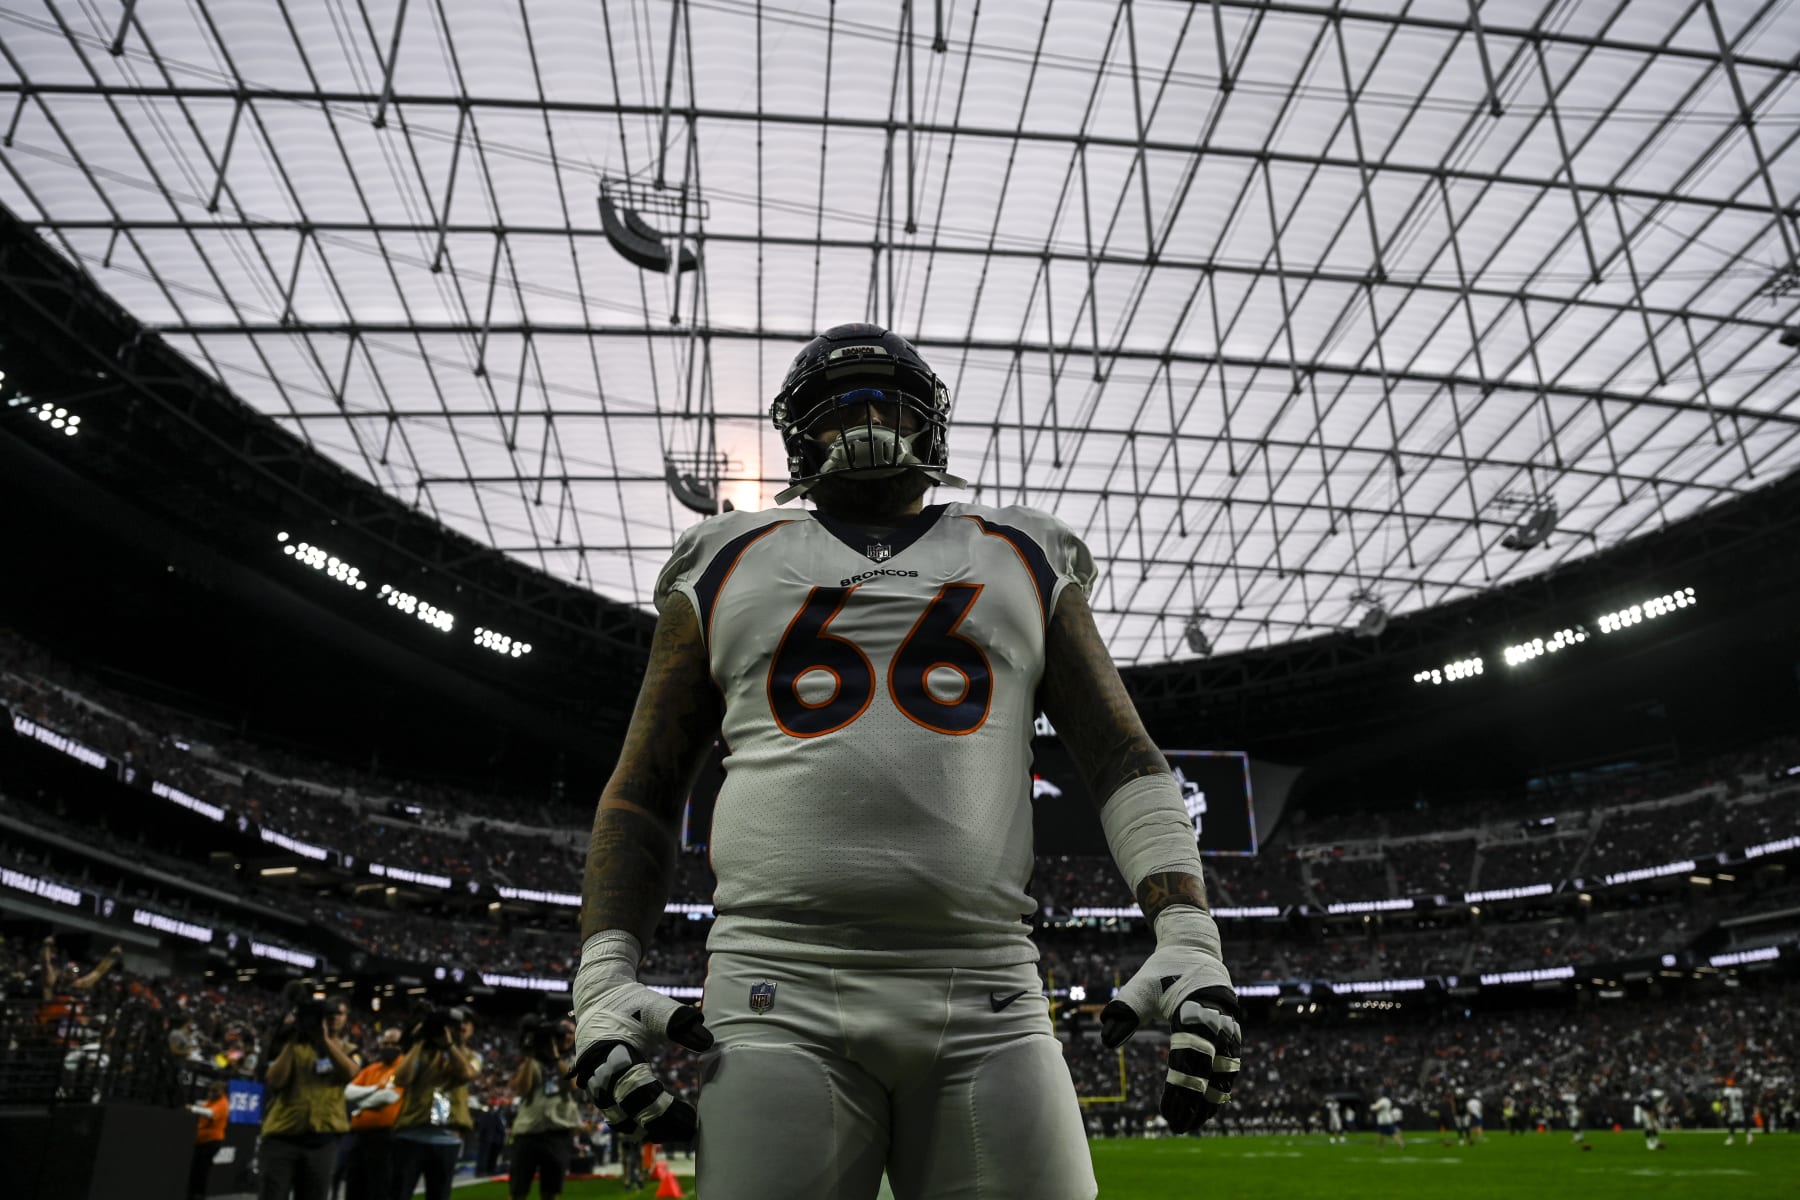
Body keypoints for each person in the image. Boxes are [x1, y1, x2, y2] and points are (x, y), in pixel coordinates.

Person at [568, 324, 1243, 1200]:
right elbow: (645, 792)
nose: (865, 418)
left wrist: (1189, 934)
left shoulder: (1024, 551)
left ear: (931, 424)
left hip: (989, 984)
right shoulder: (723, 555)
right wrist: (603, 974)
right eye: (836, 406)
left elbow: (1120, 753)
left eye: (887, 398)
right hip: (777, 982)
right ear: (795, 435)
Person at [258, 998, 358, 1200]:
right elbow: (275, 1081)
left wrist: (325, 1041)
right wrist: (295, 1038)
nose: (333, 1018)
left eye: (339, 1013)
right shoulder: (294, 1046)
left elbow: (351, 1073)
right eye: (328, 1014)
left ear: (346, 1018)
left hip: (322, 1140)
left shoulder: (348, 1050)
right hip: (283, 1135)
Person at [391, 1011, 478, 1200]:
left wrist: (448, 1045)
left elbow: (466, 1074)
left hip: (446, 1138)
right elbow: (400, 1079)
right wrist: (419, 1042)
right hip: (411, 1133)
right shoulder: (420, 1052)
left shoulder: (471, 1056)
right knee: (398, 1194)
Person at [508, 1019, 581, 1200]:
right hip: (528, 1130)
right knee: (518, 1191)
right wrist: (531, 1056)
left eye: (570, 1033)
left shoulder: (575, 1060)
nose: (566, 1037)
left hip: (558, 1131)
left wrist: (555, 1057)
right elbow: (522, 1089)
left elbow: (572, 1085)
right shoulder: (532, 1061)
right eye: (562, 1033)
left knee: (551, 1192)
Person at [342, 1028, 405, 1200]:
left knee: (380, 1189)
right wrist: (375, 1089)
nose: (389, 1047)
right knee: (354, 1188)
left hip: (386, 1138)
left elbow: (389, 1096)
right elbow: (348, 1092)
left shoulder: (404, 1068)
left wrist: (360, 1102)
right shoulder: (371, 1069)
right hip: (360, 1137)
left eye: (394, 1044)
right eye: (386, 1043)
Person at [187, 1078, 229, 1200]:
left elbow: (210, 1113)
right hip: (201, 1141)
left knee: (202, 1171)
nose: (211, 1093)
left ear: (222, 1092)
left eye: (215, 1091)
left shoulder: (223, 1103)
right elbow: (204, 1106)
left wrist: (193, 1109)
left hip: (211, 1142)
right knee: (195, 1170)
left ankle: (199, 1196)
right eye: (210, 1090)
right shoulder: (211, 1101)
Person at [1722, 1080, 1752, 1145]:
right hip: (1740, 1108)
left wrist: (1725, 1109)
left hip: (1733, 1109)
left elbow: (1726, 1101)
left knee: (1732, 1123)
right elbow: (1742, 1099)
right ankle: (1749, 1136)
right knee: (1742, 1122)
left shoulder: (1727, 1090)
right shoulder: (1739, 1090)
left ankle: (1731, 1138)